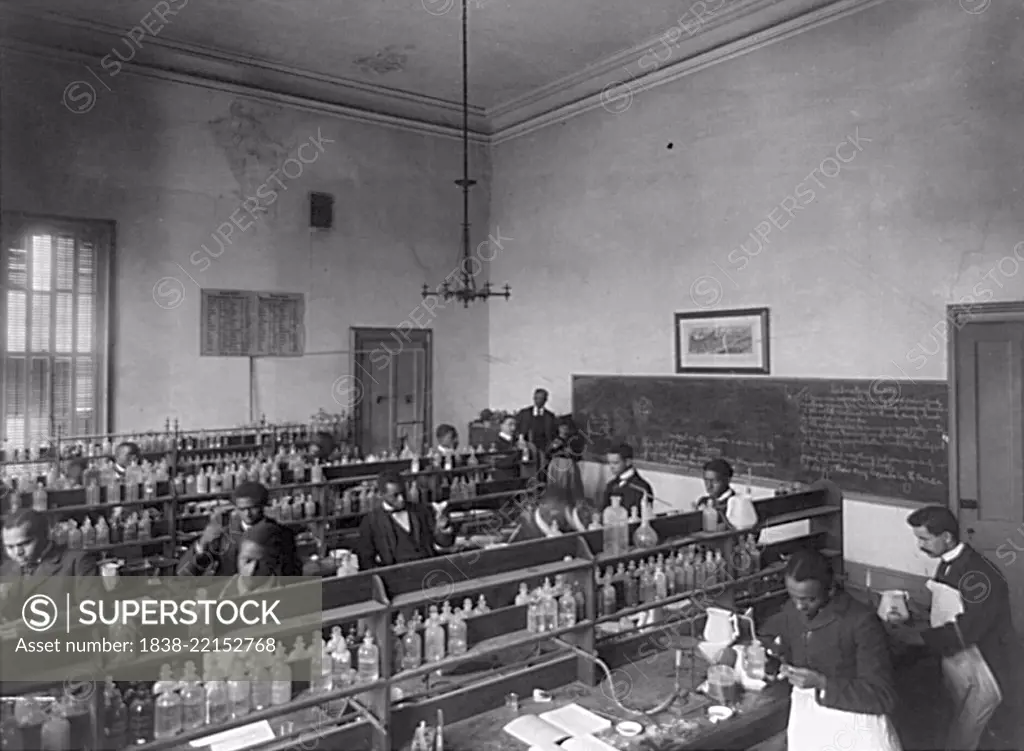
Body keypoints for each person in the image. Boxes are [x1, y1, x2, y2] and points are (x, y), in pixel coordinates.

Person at [895, 505, 1016, 750]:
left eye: (924, 539)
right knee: (954, 715)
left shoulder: (980, 575)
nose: (920, 545)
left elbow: (967, 629)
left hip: (985, 663)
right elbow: (948, 610)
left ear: (947, 538)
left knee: (967, 729)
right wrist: (915, 613)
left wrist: (915, 636)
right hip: (957, 659)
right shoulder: (947, 564)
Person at [760, 548, 901, 751]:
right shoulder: (792, 611)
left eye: (809, 600)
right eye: (793, 597)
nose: (800, 606)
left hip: (855, 726)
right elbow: (771, 638)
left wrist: (822, 683)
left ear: (830, 590)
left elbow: (882, 696)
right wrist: (770, 657)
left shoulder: (861, 622)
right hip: (809, 721)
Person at [177, 482, 300, 577]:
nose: (248, 514)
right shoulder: (224, 536)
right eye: (242, 509)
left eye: (253, 508)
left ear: (263, 506)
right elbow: (186, 575)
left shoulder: (282, 534)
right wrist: (203, 543)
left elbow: (292, 574)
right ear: (235, 508)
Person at [0, 509, 101, 624]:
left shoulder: (77, 561)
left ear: (45, 535)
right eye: (10, 547)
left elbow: (93, 611)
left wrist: (35, 624)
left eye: (24, 544)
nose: (17, 552)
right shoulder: (6, 569)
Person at [355, 472, 454, 569]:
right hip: (396, 576)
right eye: (395, 495)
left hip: (428, 568)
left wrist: (443, 529)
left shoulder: (421, 510)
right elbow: (366, 559)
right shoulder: (371, 521)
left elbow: (445, 543)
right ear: (381, 495)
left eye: (403, 493)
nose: (401, 498)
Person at [220, 519, 303, 598]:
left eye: (262, 563)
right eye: (247, 561)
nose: (252, 570)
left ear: (275, 563)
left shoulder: (295, 595)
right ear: (237, 558)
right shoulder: (213, 596)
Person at [696, 458, 758, 530]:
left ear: (727, 480)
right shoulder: (703, 501)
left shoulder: (737, 504)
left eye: (714, 481)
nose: (709, 486)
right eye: (706, 481)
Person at [602, 443, 654, 514]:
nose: (611, 467)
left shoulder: (641, 487)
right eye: (609, 463)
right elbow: (603, 511)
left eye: (615, 463)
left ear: (628, 462)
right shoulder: (611, 485)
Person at [546, 417, 585, 502]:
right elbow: (548, 454)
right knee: (557, 489)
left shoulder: (573, 441)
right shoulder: (554, 441)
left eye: (567, 427)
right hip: (557, 467)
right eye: (562, 427)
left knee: (572, 489)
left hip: (571, 467)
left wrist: (571, 453)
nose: (564, 429)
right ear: (558, 428)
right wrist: (560, 452)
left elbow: (579, 457)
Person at [515, 388, 557, 464]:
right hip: (527, 449)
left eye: (542, 398)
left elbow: (553, 434)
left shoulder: (550, 416)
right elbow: (517, 430)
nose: (539, 401)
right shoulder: (524, 414)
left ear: (546, 400)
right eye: (537, 398)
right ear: (533, 398)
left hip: (544, 450)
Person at [491, 415, 523, 481]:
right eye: (510, 425)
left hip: (518, 477)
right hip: (502, 478)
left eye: (515, 425)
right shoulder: (495, 442)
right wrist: (518, 453)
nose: (513, 428)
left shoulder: (517, 441)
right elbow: (498, 462)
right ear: (501, 425)